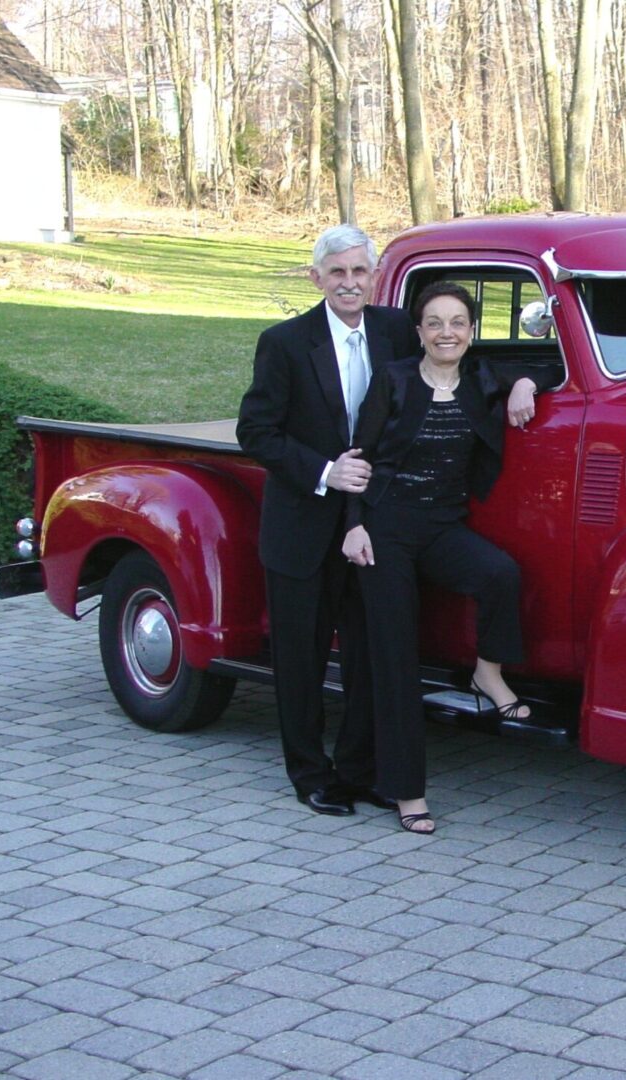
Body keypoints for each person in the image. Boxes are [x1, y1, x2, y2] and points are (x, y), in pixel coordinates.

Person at [342, 281, 560, 833]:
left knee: (499, 574)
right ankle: (406, 792)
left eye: (458, 322)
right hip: (385, 528)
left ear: (471, 332)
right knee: (396, 657)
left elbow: (550, 370)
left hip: (441, 526)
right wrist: (355, 527)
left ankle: (488, 675)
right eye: (434, 322)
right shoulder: (393, 380)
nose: (446, 332)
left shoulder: (482, 377)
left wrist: (525, 385)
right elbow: (358, 457)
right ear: (418, 331)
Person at [236, 224, 419, 816]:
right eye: (336, 272)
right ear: (316, 278)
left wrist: (523, 382)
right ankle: (310, 775)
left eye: (358, 271)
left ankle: (360, 769)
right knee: (302, 658)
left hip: (373, 525)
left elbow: (458, 360)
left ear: (374, 277)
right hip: (302, 525)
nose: (349, 283)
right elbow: (256, 431)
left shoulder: (396, 330)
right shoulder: (286, 343)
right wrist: (323, 471)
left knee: (369, 656)